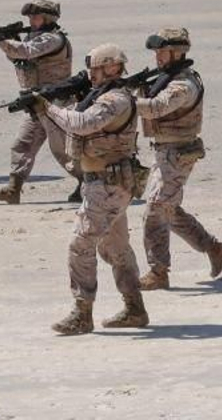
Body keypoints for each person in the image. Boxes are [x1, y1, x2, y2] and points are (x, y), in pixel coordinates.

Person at [33, 43, 149, 335]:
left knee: (81, 245)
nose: (90, 74)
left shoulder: (116, 100)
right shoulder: (101, 96)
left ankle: (82, 312)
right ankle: (135, 308)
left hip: (108, 184)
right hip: (103, 182)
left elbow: (83, 124)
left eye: (96, 69)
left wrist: (48, 109)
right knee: (116, 247)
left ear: (111, 68)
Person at [134, 27, 222, 290]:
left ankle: (158, 271)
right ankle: (213, 248)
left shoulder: (183, 84)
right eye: (156, 52)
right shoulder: (166, 78)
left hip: (178, 153)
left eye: (163, 52)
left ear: (177, 52)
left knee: (155, 210)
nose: (158, 57)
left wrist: (121, 102)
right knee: (168, 209)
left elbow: (155, 108)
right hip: (165, 151)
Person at [0, 0, 80, 204]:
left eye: (35, 17)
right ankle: (13, 189)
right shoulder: (34, 38)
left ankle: (88, 183)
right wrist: (7, 41)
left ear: (48, 18)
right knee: (22, 145)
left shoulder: (53, 39)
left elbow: (25, 51)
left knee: (63, 152)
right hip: (35, 102)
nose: (31, 21)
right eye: (29, 17)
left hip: (55, 104)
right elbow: (19, 57)